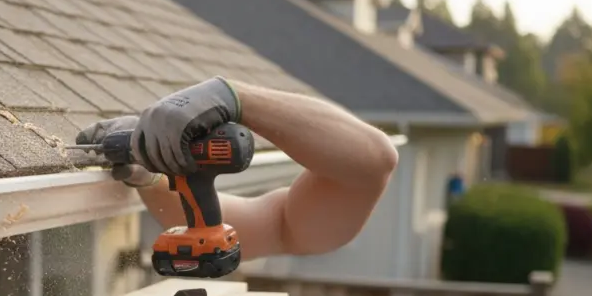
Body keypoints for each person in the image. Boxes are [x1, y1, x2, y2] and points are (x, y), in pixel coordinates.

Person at [75, 77, 400, 261]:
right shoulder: (282, 225)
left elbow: (375, 161)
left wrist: (233, 98)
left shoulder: (296, 226)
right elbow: (223, 228)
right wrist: (156, 177)